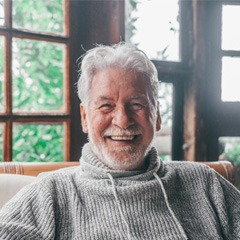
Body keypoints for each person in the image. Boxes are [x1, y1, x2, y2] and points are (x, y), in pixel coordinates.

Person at [0, 42, 240, 240]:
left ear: (157, 116)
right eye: (106, 106)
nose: (123, 121)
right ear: (85, 117)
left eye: (137, 105)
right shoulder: (49, 195)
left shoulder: (207, 184)